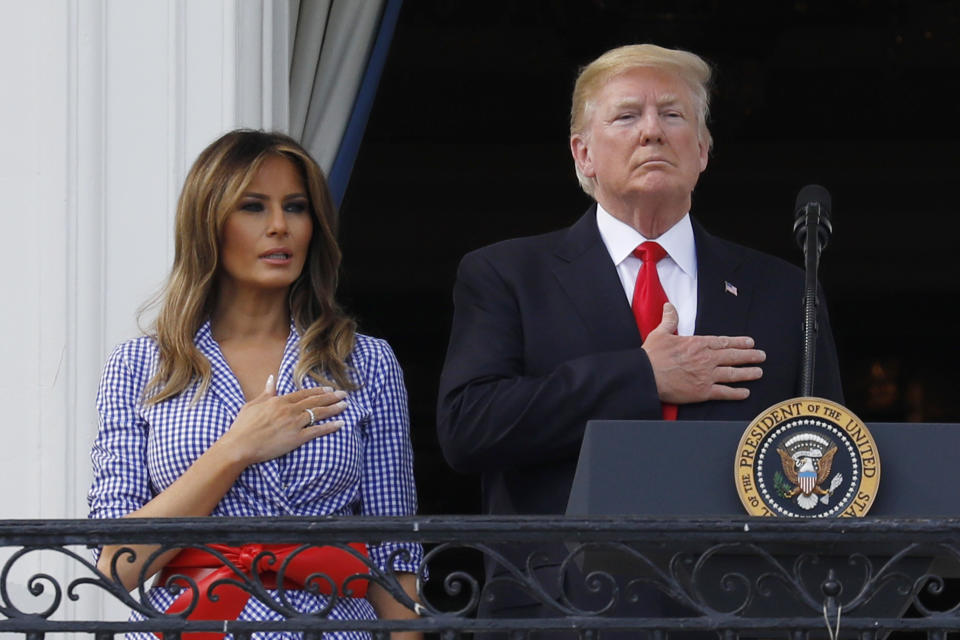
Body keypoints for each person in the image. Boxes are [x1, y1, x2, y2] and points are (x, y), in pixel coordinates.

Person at [436, 44, 843, 627]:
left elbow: (833, 457)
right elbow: (468, 427)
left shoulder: (783, 290)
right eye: (627, 116)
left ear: (703, 150)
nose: (652, 131)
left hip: (740, 611)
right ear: (583, 154)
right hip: (563, 611)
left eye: (674, 115)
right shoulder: (507, 274)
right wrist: (642, 376)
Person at [88, 130, 422, 640]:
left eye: (295, 207)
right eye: (252, 207)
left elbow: (392, 552)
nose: (279, 227)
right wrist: (236, 449)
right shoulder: (141, 366)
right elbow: (119, 564)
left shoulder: (364, 362)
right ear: (208, 223)